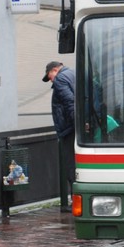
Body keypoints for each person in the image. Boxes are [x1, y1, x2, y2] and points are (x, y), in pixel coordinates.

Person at [43, 61, 75, 211]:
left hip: (69, 129)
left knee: (71, 165)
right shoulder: (74, 74)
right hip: (76, 128)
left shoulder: (61, 79)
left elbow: (70, 102)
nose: (50, 80)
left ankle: (75, 200)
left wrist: (77, 124)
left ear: (55, 70)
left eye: (49, 76)